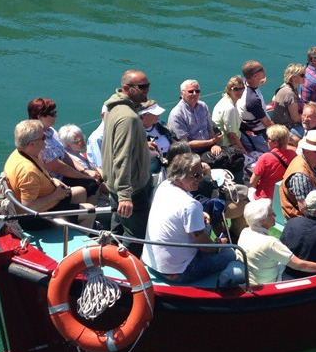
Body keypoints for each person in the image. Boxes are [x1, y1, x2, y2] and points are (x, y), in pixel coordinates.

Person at [142, 153, 236, 283]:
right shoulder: (190, 205)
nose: (201, 178)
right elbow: (205, 247)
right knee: (230, 254)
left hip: (152, 263)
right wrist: (220, 245)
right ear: (180, 176)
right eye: (196, 175)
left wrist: (200, 214)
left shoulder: (164, 186)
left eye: (202, 173)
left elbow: (176, 211)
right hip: (177, 271)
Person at [102, 70, 155, 251]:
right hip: (131, 188)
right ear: (126, 88)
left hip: (115, 185)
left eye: (147, 86)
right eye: (141, 87)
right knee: (135, 237)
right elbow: (121, 156)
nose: (146, 90)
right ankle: (130, 273)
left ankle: (110, 262)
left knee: (116, 229)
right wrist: (125, 195)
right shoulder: (129, 118)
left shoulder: (114, 109)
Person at [4, 120, 93, 227]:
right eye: (43, 138)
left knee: (81, 192)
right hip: (36, 217)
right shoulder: (28, 171)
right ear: (32, 144)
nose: (46, 139)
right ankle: (83, 238)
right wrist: (56, 195)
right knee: (90, 211)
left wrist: (53, 180)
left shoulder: (21, 153)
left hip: (45, 200)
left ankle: (73, 225)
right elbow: (28, 206)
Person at [238, 199, 316, 285]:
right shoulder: (270, 243)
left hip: (253, 281)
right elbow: (299, 265)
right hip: (271, 285)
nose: (275, 216)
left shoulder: (245, 232)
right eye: (271, 214)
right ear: (262, 220)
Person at [27, 97, 101, 198]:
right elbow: (58, 167)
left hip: (63, 174)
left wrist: (84, 170)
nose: (56, 116)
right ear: (40, 116)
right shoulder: (39, 139)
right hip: (53, 182)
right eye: (52, 114)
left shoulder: (51, 131)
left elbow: (64, 154)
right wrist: (85, 176)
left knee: (95, 178)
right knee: (91, 184)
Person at [279, 129, 316, 219]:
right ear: (306, 151)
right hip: (301, 218)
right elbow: (304, 209)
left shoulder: (308, 162)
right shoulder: (301, 176)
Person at [249, 125, 296, 200]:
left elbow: (252, 182)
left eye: (268, 139)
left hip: (266, 197)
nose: (266, 141)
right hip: (284, 195)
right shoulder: (293, 154)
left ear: (275, 143)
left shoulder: (265, 158)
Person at [237, 60, 273, 154]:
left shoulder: (244, 83)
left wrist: (260, 81)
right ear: (255, 76)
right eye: (261, 69)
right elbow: (268, 125)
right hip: (260, 132)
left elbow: (252, 81)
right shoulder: (253, 100)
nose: (264, 69)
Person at [212, 77, 248, 155]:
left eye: (242, 88)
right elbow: (232, 136)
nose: (240, 91)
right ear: (229, 90)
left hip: (236, 137)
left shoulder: (229, 100)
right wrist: (245, 152)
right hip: (227, 146)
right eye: (236, 89)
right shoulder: (229, 108)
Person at [271, 63, 305, 139]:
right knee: (311, 135)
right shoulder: (290, 94)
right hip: (287, 127)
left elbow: (273, 99)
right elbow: (295, 118)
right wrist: (308, 117)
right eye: (302, 75)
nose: (305, 77)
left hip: (280, 124)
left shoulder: (284, 86)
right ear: (293, 78)